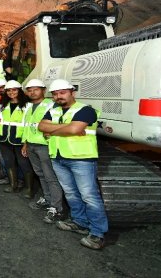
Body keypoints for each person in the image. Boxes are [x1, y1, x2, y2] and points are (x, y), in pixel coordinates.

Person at [38, 79, 108, 250]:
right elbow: (41, 126)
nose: (58, 96)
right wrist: (66, 127)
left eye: (62, 93)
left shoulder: (85, 110)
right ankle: (79, 222)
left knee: (89, 196)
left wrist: (53, 129)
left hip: (81, 159)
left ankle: (98, 233)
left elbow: (74, 130)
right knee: (71, 193)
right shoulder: (54, 110)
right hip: (58, 157)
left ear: (72, 93)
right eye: (55, 94)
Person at [21, 79, 65, 223]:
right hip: (32, 145)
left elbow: (59, 124)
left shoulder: (51, 105)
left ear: (43, 90)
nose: (33, 92)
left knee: (50, 176)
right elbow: (27, 125)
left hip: (45, 146)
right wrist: (25, 144)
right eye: (30, 90)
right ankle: (47, 198)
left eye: (36, 89)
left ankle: (56, 207)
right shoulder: (28, 106)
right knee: (40, 174)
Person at [0, 80, 32, 194]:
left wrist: (26, 143)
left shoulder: (28, 106)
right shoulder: (3, 105)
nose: (11, 92)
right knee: (9, 162)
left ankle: (29, 189)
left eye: (14, 90)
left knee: (24, 164)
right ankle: (13, 185)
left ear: (20, 91)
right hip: (3, 138)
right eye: (8, 90)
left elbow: (28, 125)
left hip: (20, 139)